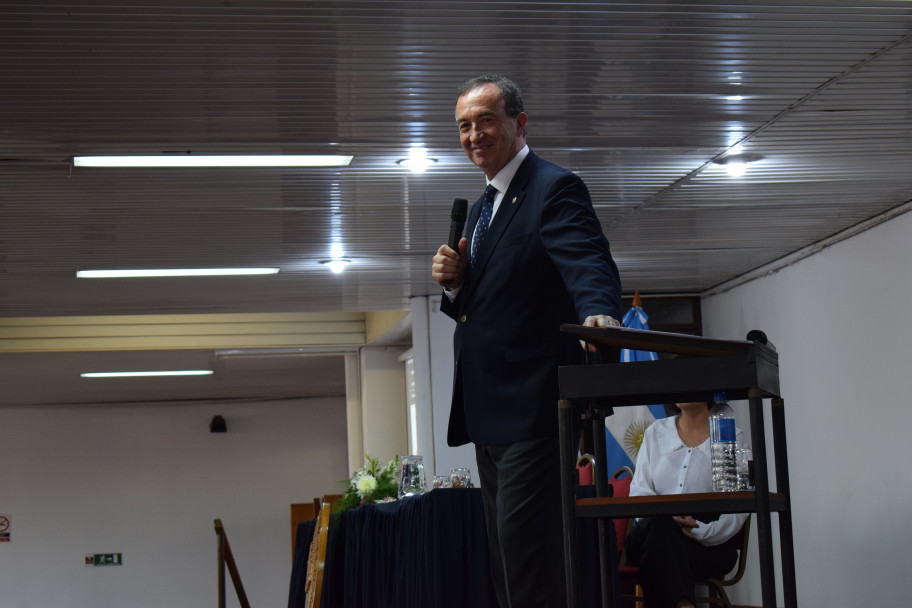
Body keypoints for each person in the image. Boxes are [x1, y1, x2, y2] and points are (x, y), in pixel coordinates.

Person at [431, 75, 623, 608]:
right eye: (464, 126)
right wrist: (458, 282)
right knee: (504, 563)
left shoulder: (552, 187)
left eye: (486, 120)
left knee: (527, 559)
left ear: (519, 122)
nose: (474, 134)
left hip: (535, 406)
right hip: (489, 409)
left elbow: (587, 261)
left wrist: (600, 313)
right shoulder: (481, 209)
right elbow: (497, 302)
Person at [625, 402, 749, 608]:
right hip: (650, 529)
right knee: (661, 524)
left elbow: (740, 504)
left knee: (652, 562)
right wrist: (671, 521)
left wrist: (703, 531)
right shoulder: (655, 432)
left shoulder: (730, 435)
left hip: (705, 544)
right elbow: (639, 491)